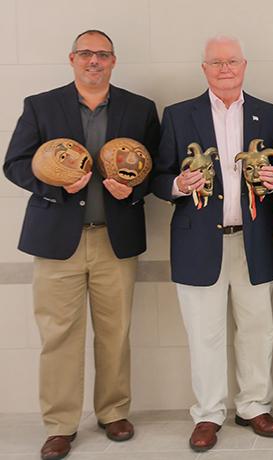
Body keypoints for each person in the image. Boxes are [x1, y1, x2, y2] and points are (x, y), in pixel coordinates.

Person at [3, 30, 160, 460]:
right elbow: (14, 163)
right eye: (87, 54)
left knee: (116, 333)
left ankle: (112, 413)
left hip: (115, 239)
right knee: (58, 336)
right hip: (57, 243)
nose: (95, 61)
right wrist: (55, 186)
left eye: (103, 55)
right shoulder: (41, 105)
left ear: (114, 60)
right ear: (72, 58)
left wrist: (136, 190)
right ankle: (60, 424)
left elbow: (155, 166)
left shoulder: (139, 108)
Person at [150, 36, 273, 452]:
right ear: (204, 68)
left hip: (255, 242)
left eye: (231, 61)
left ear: (245, 65)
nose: (225, 68)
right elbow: (157, 177)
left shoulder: (270, 114)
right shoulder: (177, 115)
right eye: (216, 62)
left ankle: (253, 406)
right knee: (204, 334)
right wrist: (176, 183)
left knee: (257, 329)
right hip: (197, 245)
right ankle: (209, 414)